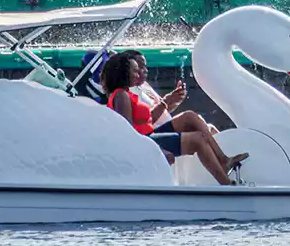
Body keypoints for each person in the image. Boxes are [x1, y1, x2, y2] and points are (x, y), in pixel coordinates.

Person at [100, 52, 236, 185]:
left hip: (149, 134)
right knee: (198, 139)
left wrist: (168, 101)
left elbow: (146, 120)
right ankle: (226, 184)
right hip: (145, 142)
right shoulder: (121, 96)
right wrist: (159, 150)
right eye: (135, 71)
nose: (139, 74)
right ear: (124, 72)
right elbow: (128, 132)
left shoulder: (127, 93)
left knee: (189, 116)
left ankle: (223, 160)